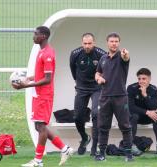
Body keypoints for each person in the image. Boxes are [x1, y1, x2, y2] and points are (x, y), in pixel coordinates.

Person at [12, 26, 73, 167]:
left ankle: (38, 161)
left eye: (36, 34)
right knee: (39, 127)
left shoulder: (48, 54)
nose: (33, 36)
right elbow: (41, 75)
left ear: (43, 36)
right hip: (38, 94)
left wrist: (24, 86)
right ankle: (65, 149)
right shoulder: (42, 51)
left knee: (41, 126)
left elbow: (47, 79)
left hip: (44, 95)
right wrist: (29, 78)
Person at [95, 32, 133, 162]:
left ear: (119, 43)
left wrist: (125, 54)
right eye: (112, 41)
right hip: (105, 97)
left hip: (120, 97)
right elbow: (97, 72)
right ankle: (102, 154)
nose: (114, 43)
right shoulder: (103, 58)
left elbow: (126, 57)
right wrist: (99, 78)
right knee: (103, 126)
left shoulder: (121, 56)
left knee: (125, 126)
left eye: (116, 41)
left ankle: (128, 154)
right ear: (107, 43)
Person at [70, 33, 106, 156]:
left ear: (94, 43)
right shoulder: (75, 54)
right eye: (85, 43)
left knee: (96, 114)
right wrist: (79, 83)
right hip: (81, 88)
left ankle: (94, 148)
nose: (87, 46)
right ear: (82, 43)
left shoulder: (101, 54)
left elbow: (106, 72)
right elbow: (73, 71)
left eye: (89, 43)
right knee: (77, 117)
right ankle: (85, 138)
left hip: (97, 88)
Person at [127, 68, 157, 154]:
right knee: (134, 116)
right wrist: (147, 112)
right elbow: (131, 107)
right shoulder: (131, 88)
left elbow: (153, 107)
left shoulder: (155, 90)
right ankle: (131, 145)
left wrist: (145, 95)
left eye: (144, 79)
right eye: (139, 79)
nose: (141, 81)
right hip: (135, 116)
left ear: (149, 79)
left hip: (147, 117)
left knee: (156, 115)